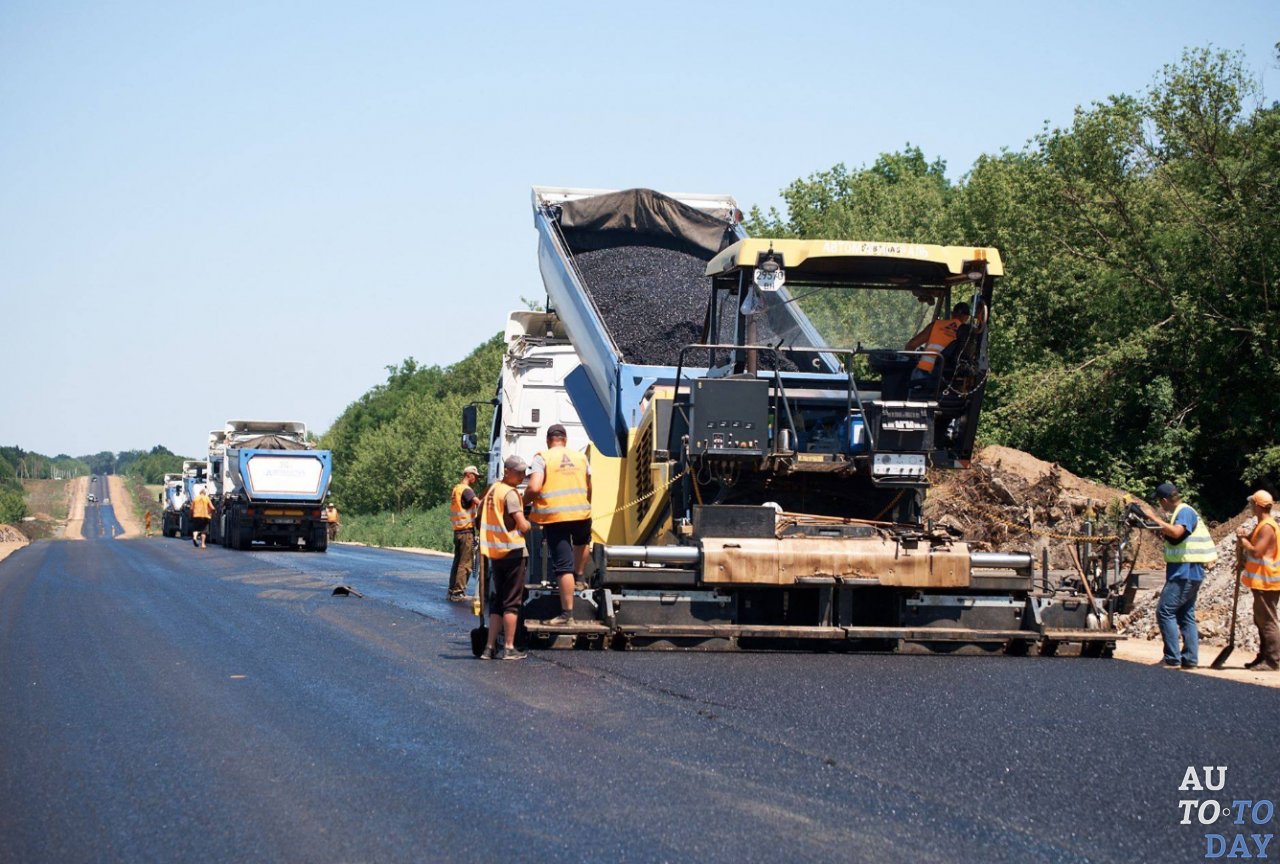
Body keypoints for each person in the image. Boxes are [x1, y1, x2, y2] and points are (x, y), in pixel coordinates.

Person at [1138, 482, 1218, 668]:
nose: (1160, 506)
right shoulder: (1180, 513)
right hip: (1189, 571)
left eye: (1160, 502)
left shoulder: (1185, 512)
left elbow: (1176, 532)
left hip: (1185, 572)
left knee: (1164, 611)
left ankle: (1172, 658)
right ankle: (1189, 659)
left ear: (1165, 500)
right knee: (1185, 614)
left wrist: (1154, 519)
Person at [527, 424, 592, 626]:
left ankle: (567, 614)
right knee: (582, 542)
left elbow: (535, 486)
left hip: (556, 516)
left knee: (563, 567)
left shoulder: (542, 458)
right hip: (581, 512)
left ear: (548, 440)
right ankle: (580, 578)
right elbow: (589, 486)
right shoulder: (581, 457)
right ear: (565, 440)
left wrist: (523, 500)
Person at [479, 456, 532, 661]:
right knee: (511, 601)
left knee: (497, 601)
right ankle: (509, 647)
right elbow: (522, 524)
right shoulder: (510, 494)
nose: (522, 476)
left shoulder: (493, 490)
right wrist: (529, 523)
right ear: (507, 471)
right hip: (513, 552)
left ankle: (489, 647)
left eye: (523, 472)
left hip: (496, 551)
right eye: (519, 472)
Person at [1236, 490, 1280, 671]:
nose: (1251, 507)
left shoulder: (1268, 526)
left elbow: (1257, 551)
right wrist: (1245, 537)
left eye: (1253, 504)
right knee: (1260, 620)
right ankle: (1263, 656)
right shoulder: (1262, 524)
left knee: (1268, 621)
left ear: (1259, 506)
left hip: (1267, 582)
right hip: (1260, 581)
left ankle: (1272, 660)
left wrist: (1243, 541)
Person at [905, 301, 983, 395]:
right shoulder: (968, 334)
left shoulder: (937, 325)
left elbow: (911, 345)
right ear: (966, 317)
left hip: (923, 372)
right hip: (946, 379)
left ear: (952, 314)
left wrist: (908, 364)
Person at [447, 466, 481, 601]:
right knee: (465, 563)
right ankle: (458, 592)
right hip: (466, 532)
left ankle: (452, 590)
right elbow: (478, 502)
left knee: (457, 562)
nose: (476, 478)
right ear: (468, 475)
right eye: (475, 475)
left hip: (458, 531)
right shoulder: (466, 490)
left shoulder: (456, 489)